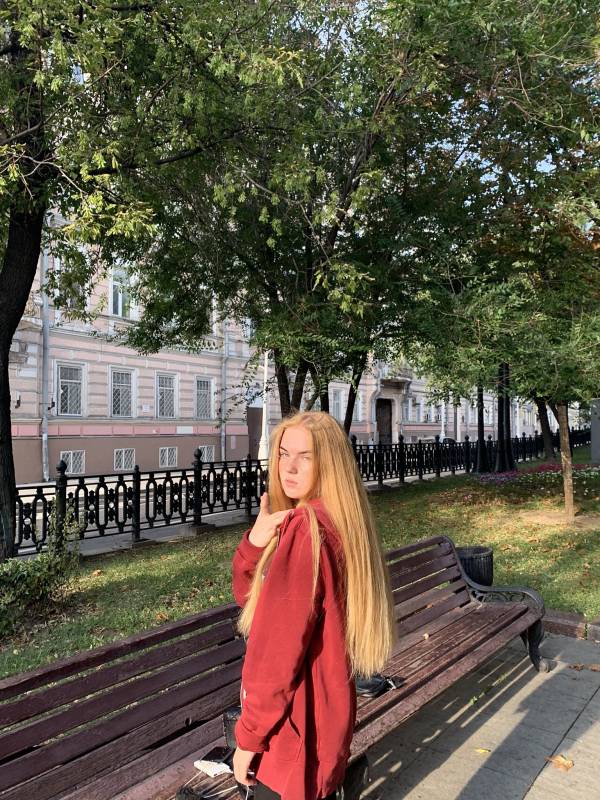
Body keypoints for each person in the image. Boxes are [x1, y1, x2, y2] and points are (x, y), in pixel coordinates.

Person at [231, 411, 396, 800]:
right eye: (283, 453)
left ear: (329, 463)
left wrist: (249, 738)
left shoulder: (307, 530)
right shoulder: (340, 520)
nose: (288, 467)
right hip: (326, 719)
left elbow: (276, 651)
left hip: (292, 734)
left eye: (305, 457)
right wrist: (255, 543)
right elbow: (253, 603)